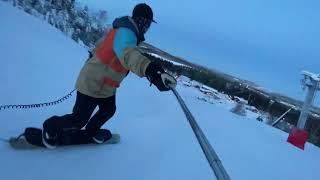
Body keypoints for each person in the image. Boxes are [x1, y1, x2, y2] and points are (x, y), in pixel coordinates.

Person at [42, 3, 177, 148]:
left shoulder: (125, 33)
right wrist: (152, 72)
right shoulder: (126, 32)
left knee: (108, 110)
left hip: (105, 86)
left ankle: (91, 132)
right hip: (93, 82)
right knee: (78, 119)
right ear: (140, 21)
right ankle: (50, 127)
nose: (147, 27)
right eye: (146, 23)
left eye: (149, 24)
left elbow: (102, 47)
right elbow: (128, 55)